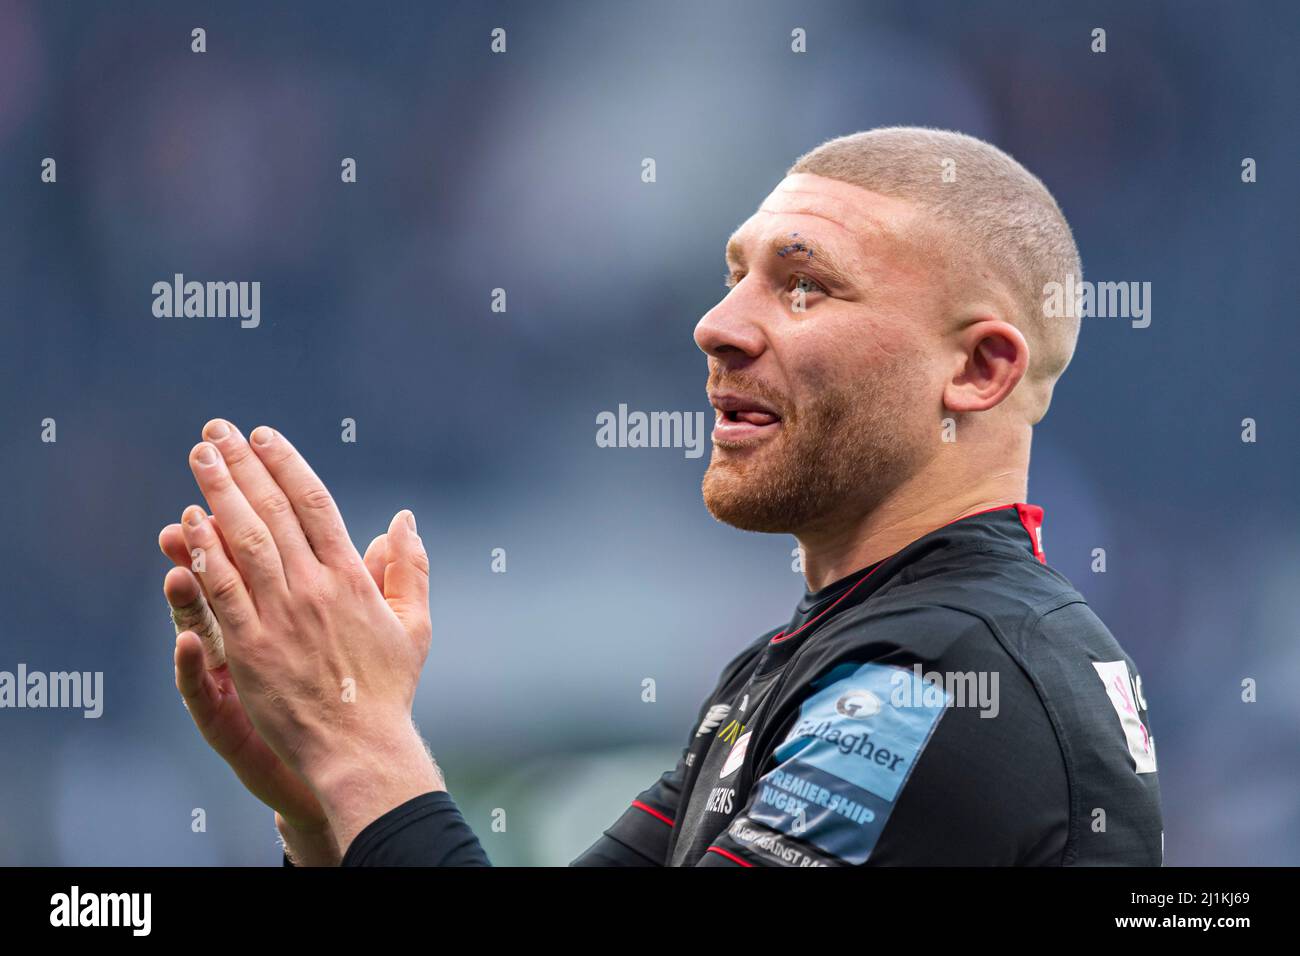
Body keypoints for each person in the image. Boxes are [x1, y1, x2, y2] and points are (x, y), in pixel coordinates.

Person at [158, 127, 1163, 867]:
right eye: (733, 275)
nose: (716, 324)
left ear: (979, 370)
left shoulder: (936, 674)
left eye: (803, 284)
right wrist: (322, 820)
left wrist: (359, 750)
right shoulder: (802, 667)